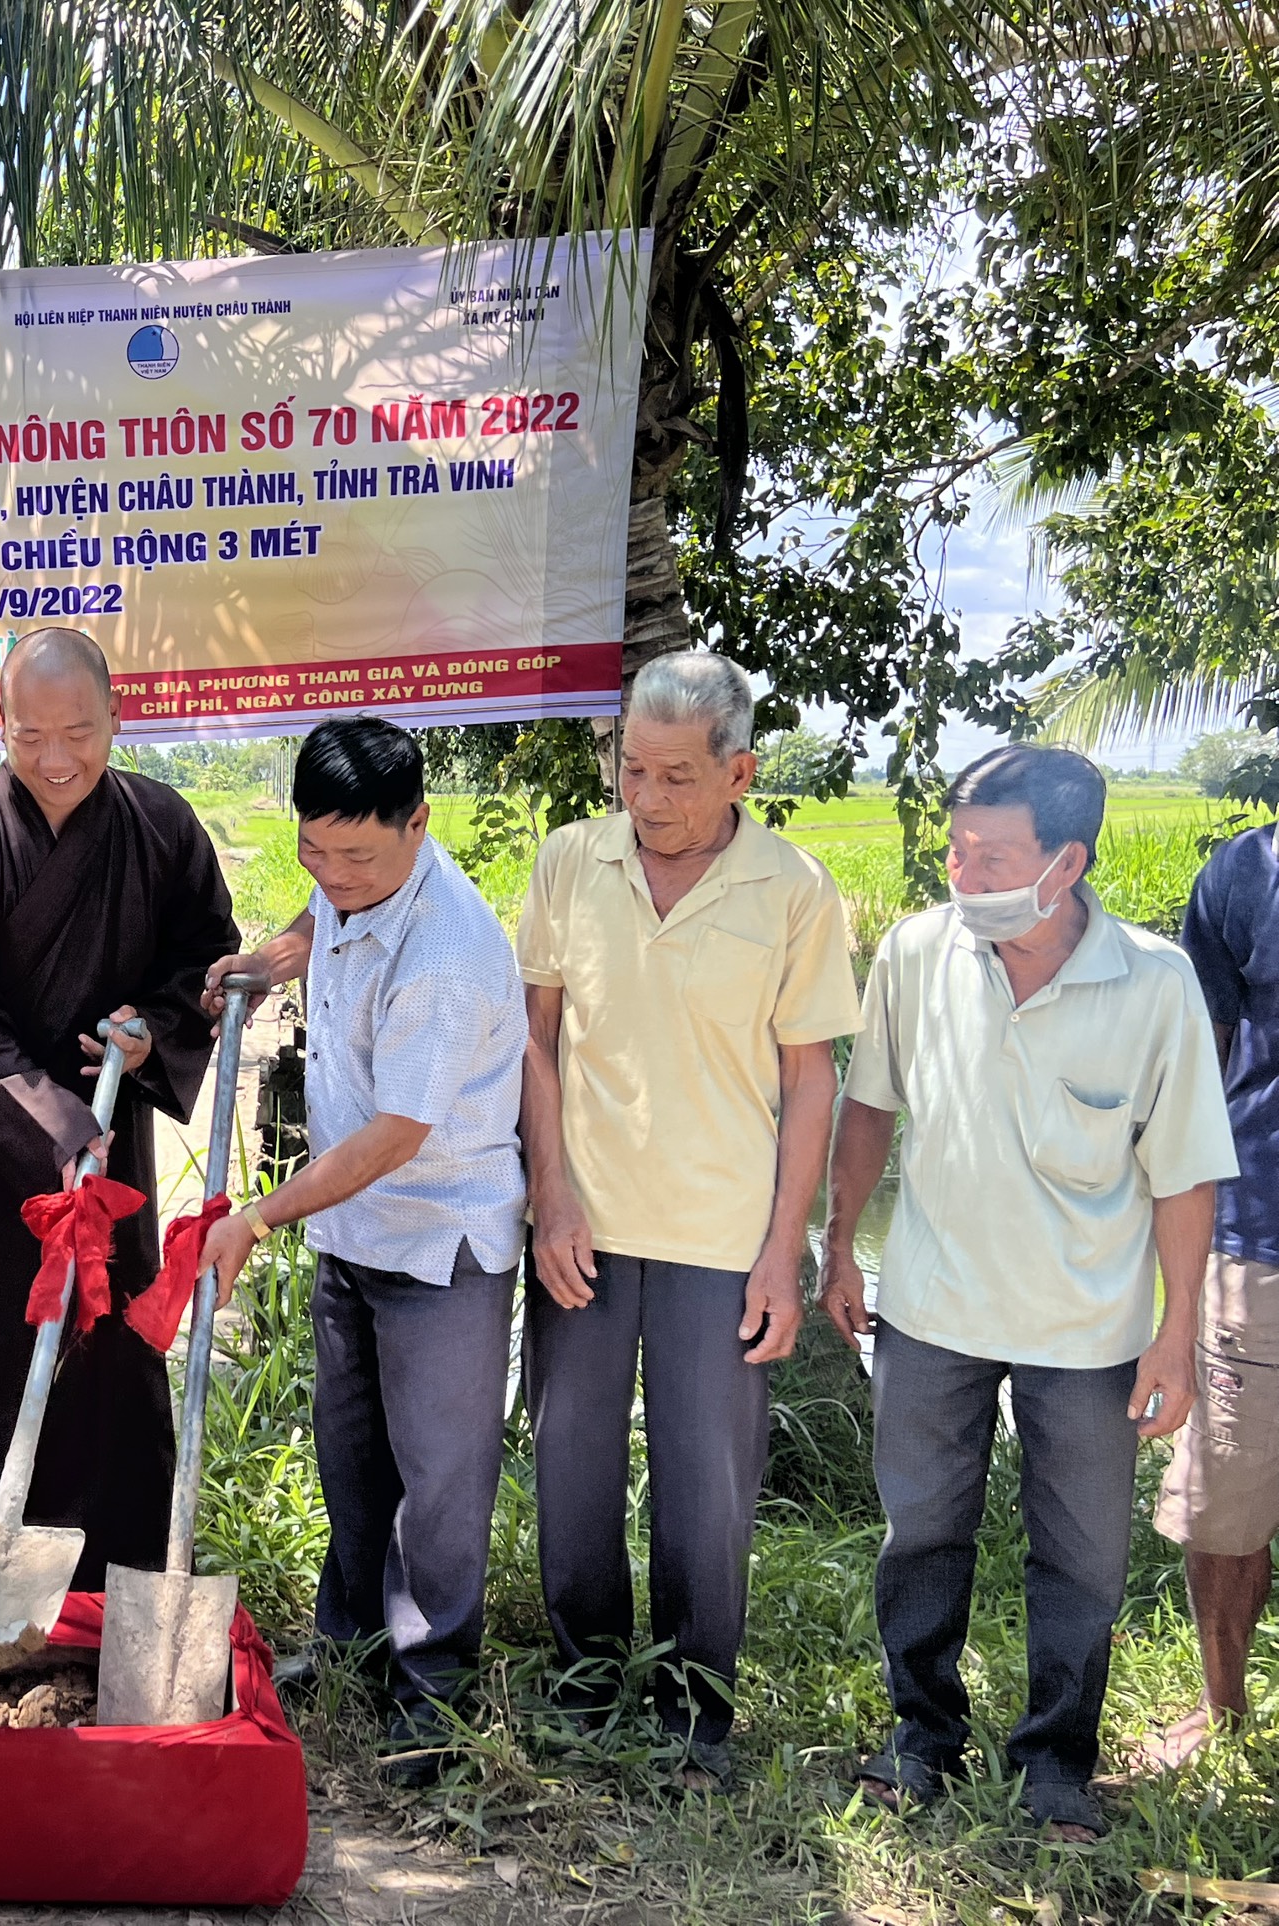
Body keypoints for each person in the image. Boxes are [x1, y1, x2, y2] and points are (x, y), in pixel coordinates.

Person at [821, 744, 1233, 1840]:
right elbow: (869, 1108)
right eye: (956, 850)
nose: (963, 874)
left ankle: (1056, 1759)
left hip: (1087, 1326)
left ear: (1067, 863)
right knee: (920, 1533)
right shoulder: (917, 952)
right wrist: (835, 1249)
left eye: (991, 855)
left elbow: (1184, 1171)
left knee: (1084, 1556)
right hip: (931, 1308)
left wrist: (1174, 1334)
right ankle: (921, 1736)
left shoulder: (1153, 983)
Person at [513, 653, 860, 1787]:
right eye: (632, 770)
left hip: (722, 1234)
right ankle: (584, 1678)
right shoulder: (573, 859)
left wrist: (784, 1249)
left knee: (706, 1485)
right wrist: (550, 1191)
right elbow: (537, 1036)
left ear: (739, 771)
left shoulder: (795, 889)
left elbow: (812, 1081)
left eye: (674, 777)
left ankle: (695, 1708)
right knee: (570, 1461)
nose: (647, 798)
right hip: (588, 1228)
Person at [195, 717, 526, 1786]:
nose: (334, 877)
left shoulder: (447, 952)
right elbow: (319, 915)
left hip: (439, 1244)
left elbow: (395, 1135)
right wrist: (276, 952)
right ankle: (349, 1647)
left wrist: (255, 1217)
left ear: (418, 826)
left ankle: (432, 1696)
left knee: (440, 1479)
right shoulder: (347, 886)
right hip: (355, 1234)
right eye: (315, 852)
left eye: (359, 858)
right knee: (353, 1457)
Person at [0, 627, 238, 1590]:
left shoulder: (162, 827)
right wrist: (57, 1128)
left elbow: (204, 957)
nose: (55, 760)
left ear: (116, 719)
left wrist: (153, 1027)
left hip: (109, 1124)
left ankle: (115, 1576)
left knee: (109, 1341)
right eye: (29, 735)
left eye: (78, 734)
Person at [1139, 815, 1279, 1769]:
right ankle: (1220, 1707)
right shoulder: (1244, 872)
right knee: (1223, 1495)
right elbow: (1201, 1062)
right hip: (1257, 1238)